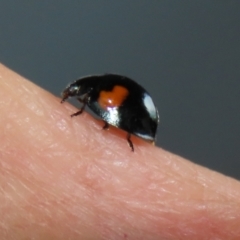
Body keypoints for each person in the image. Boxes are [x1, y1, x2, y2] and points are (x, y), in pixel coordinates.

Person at [0, 64, 239, 239]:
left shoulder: (96, 90)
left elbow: (103, 105)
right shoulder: (102, 86)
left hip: (135, 122)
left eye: (74, 93)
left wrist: (93, 115)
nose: (73, 96)